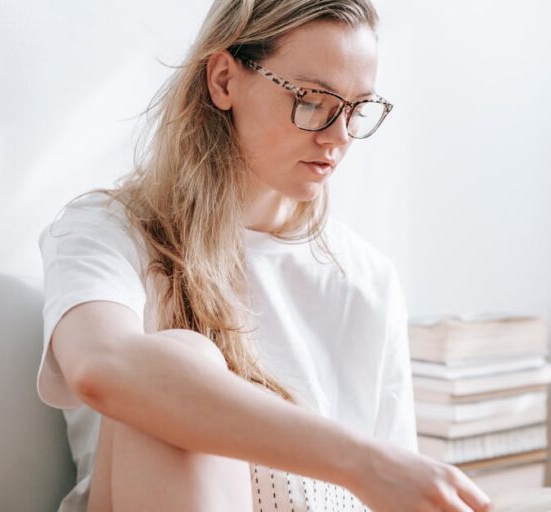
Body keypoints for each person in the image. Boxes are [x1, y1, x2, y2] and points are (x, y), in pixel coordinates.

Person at [36, 0, 492, 511]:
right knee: (178, 364)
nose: (338, 136)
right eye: (314, 100)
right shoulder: (107, 228)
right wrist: (362, 462)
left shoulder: (367, 278)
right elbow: (102, 364)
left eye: (358, 109)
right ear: (224, 80)